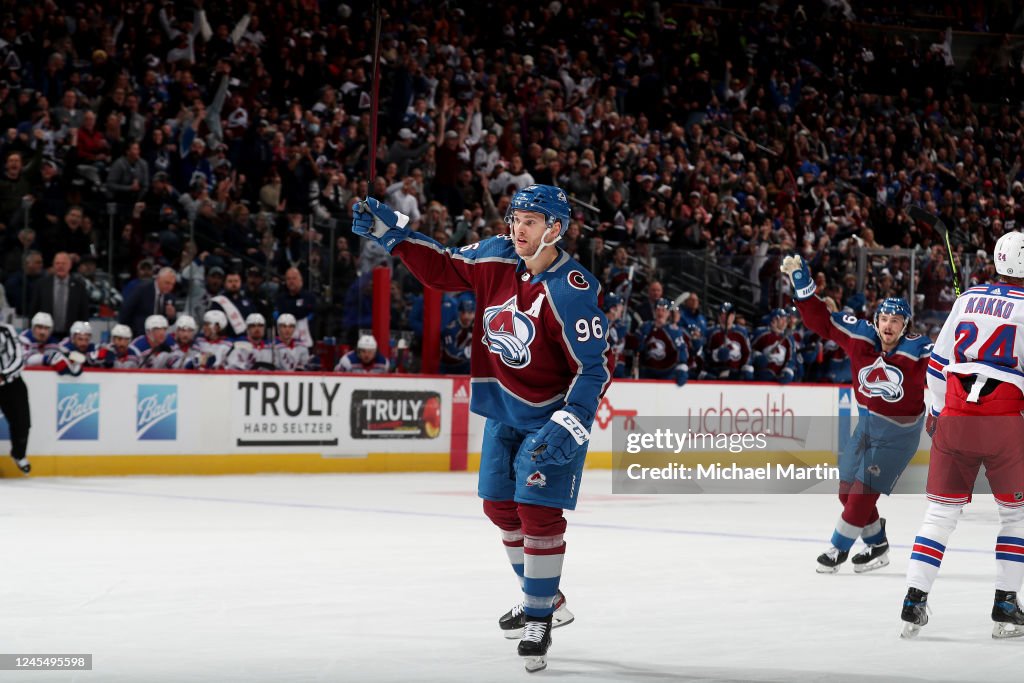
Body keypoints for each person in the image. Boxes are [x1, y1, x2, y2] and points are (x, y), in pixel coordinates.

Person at [352, 183, 611, 672]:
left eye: (530, 222)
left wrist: (573, 421)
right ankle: (547, 598)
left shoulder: (571, 289)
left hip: (550, 416)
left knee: (537, 514)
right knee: (498, 507)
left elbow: (594, 368)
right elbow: (444, 267)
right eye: (515, 218)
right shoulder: (494, 255)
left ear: (555, 229)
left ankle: (538, 617)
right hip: (503, 411)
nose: (518, 228)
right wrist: (394, 235)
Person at [899, 231, 1024, 639]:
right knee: (1016, 516)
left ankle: (913, 601)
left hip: (955, 414)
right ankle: (1005, 605)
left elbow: (937, 364)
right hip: (1005, 421)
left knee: (939, 514)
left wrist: (936, 412)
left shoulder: (968, 298)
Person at [781, 254, 931, 574]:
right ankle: (877, 545)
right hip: (866, 426)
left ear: (905, 326)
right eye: (885, 319)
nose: (889, 325)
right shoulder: (860, 336)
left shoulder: (919, 350)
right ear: (876, 321)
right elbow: (821, 321)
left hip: (899, 433)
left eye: (896, 320)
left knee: (862, 492)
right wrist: (802, 286)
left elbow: (948, 369)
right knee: (846, 491)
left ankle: (839, 548)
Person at [29, 252, 90, 339]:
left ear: (70, 265)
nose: (60, 266)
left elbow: (84, 313)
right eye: (57, 263)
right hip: (45, 335)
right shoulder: (42, 285)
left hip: (71, 337)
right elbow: (33, 310)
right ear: (53, 265)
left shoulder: (79, 286)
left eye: (64, 263)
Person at [0, 320, 31, 474]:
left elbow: (19, 358)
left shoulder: (7, 330)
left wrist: (3, 375)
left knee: (22, 422)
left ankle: (19, 454)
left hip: (12, 383)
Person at [635, 297, 688, 385]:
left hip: (667, 374)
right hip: (647, 373)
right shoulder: (645, 327)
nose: (661, 312)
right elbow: (636, 350)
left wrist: (682, 367)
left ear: (668, 313)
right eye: (658, 309)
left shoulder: (673, 330)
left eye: (664, 310)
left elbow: (682, 350)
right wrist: (641, 339)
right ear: (654, 311)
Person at [119, 266, 178, 337]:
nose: (170, 287)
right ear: (158, 279)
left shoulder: (170, 297)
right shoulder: (142, 289)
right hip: (139, 334)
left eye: (172, 284)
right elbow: (126, 311)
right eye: (167, 283)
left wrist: (172, 316)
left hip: (159, 338)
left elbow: (170, 322)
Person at [701, 302, 753, 381]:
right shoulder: (711, 332)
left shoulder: (741, 332)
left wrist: (745, 367)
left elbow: (747, 352)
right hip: (716, 371)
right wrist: (715, 355)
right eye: (724, 314)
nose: (727, 316)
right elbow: (704, 353)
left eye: (730, 314)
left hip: (735, 371)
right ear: (719, 316)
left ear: (734, 316)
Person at [751, 309, 796, 384]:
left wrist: (788, 369)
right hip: (760, 377)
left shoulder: (789, 337)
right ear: (774, 319)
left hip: (779, 378)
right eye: (782, 319)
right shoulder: (761, 332)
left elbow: (791, 357)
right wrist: (757, 356)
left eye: (786, 319)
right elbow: (749, 350)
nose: (785, 322)